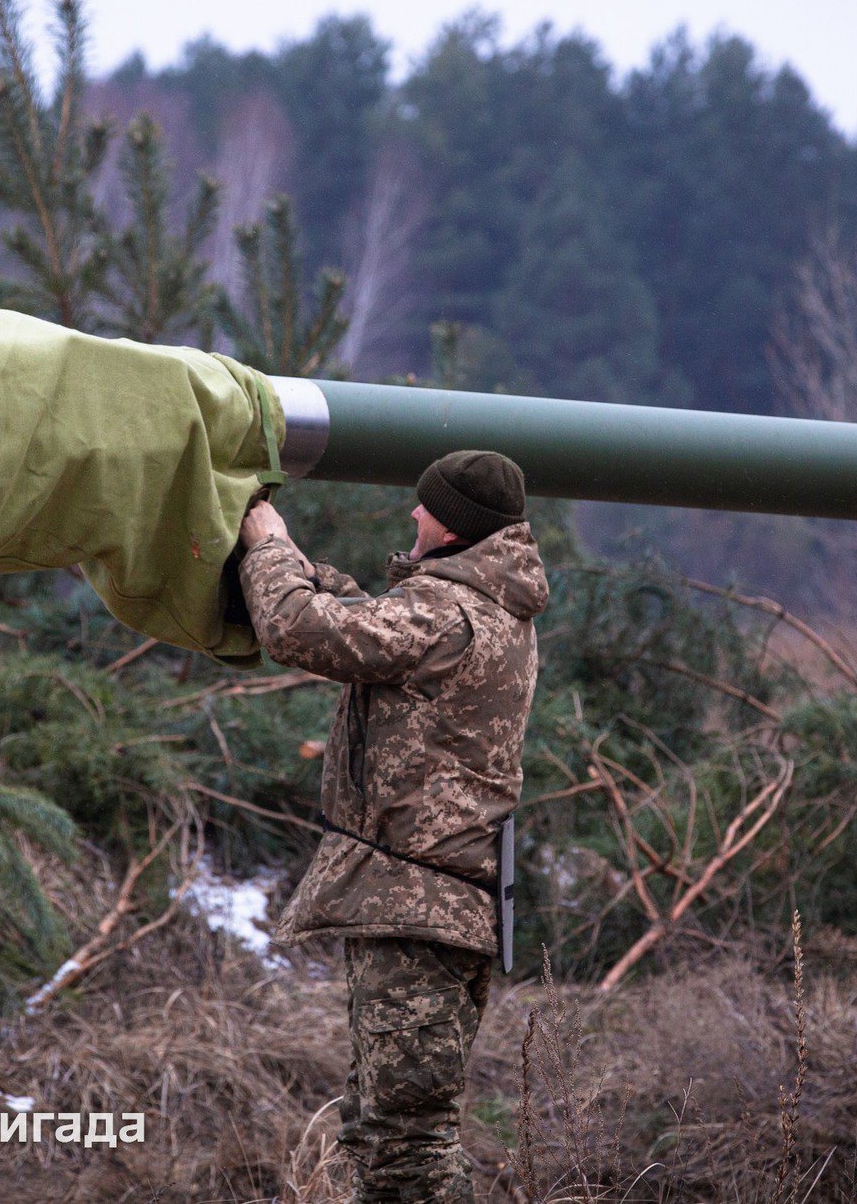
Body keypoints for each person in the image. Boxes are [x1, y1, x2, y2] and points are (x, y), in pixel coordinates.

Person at [237, 449, 547, 1203]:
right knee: (387, 1135)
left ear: (456, 529)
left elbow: (297, 630)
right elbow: (361, 624)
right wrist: (308, 568)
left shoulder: (450, 611)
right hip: (428, 906)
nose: (413, 514)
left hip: (420, 909)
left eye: (427, 507)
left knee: (405, 1149)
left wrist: (267, 543)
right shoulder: (480, 605)